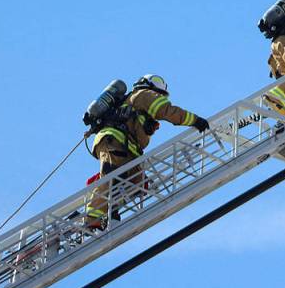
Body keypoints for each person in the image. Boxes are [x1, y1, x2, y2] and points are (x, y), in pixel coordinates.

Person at [85, 74, 209, 230]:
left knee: (137, 183)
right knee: (113, 178)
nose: (161, 97)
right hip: (115, 141)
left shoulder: (134, 101)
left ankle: (110, 209)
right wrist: (195, 120)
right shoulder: (144, 95)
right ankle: (93, 218)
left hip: (127, 148)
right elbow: (166, 110)